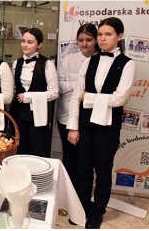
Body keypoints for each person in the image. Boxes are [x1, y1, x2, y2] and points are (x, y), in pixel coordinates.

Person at [66, 17, 135, 229]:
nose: (103, 39)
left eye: (108, 34)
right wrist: (73, 127)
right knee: (83, 169)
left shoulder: (128, 64)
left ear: (119, 36)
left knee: (103, 171)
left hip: (108, 127)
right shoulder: (89, 61)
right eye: (100, 35)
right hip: (85, 125)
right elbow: (76, 96)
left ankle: (98, 211)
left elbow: (119, 98)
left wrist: (88, 97)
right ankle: (83, 207)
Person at [57, 23, 98, 187]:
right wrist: (79, 86)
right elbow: (59, 86)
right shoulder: (69, 59)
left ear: (95, 40)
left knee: (85, 160)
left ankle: (82, 193)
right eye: (81, 40)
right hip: (65, 116)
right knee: (69, 156)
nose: (84, 44)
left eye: (89, 40)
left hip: (89, 118)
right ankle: (68, 190)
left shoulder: (100, 60)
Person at [10, 28, 58, 157]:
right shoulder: (16, 63)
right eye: (23, 41)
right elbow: (14, 88)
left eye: (30, 42)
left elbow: (54, 93)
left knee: (38, 151)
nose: (25, 45)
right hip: (18, 116)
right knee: (19, 152)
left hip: (38, 117)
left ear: (39, 45)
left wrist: (29, 97)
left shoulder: (47, 64)